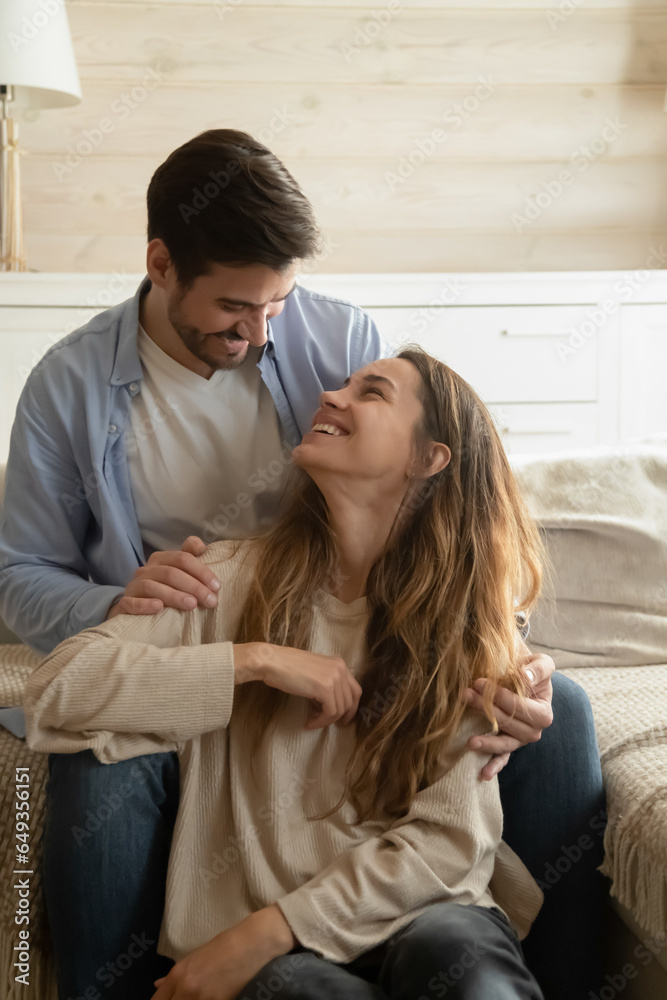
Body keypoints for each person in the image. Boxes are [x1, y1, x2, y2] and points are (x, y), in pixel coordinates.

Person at [0, 130, 604, 1000]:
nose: (263, 332)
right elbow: (27, 586)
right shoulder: (71, 387)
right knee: (100, 761)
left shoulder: (337, 339)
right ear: (162, 265)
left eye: (277, 304)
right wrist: (143, 613)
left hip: (344, 601)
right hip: (202, 611)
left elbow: (445, 496)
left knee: (555, 715)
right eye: (237, 309)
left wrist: (506, 646)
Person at [25, 349, 547, 1000]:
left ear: (427, 458)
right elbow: (55, 689)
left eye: (371, 392)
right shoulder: (229, 577)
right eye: (342, 384)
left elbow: (446, 843)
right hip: (284, 964)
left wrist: (269, 929)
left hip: (423, 918)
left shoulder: (466, 622)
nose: (330, 395)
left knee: (460, 957)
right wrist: (254, 662)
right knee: (292, 989)